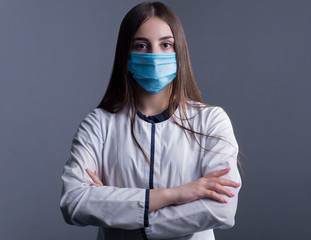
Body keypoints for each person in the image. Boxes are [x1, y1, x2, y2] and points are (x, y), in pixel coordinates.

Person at [60, 2, 241, 240]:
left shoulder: (210, 121)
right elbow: (74, 202)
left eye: (166, 45)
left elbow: (221, 210)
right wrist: (176, 195)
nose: (154, 55)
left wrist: (115, 208)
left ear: (180, 52)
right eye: (141, 45)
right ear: (126, 54)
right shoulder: (98, 124)